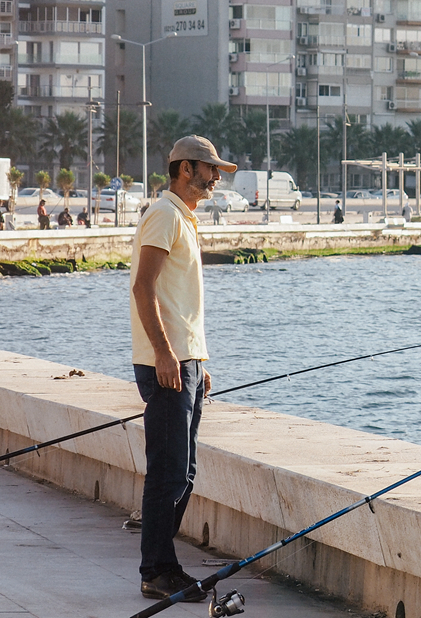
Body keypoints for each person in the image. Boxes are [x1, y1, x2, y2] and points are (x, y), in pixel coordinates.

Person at [130, 135, 236, 603]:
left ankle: (162, 563)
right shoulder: (165, 214)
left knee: (185, 471)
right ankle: (157, 569)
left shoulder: (184, 219)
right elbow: (143, 287)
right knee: (167, 473)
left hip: (185, 361)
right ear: (185, 167)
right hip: (167, 363)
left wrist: (196, 359)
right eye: (210, 169)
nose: (215, 178)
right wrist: (166, 355)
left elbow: (180, 302)